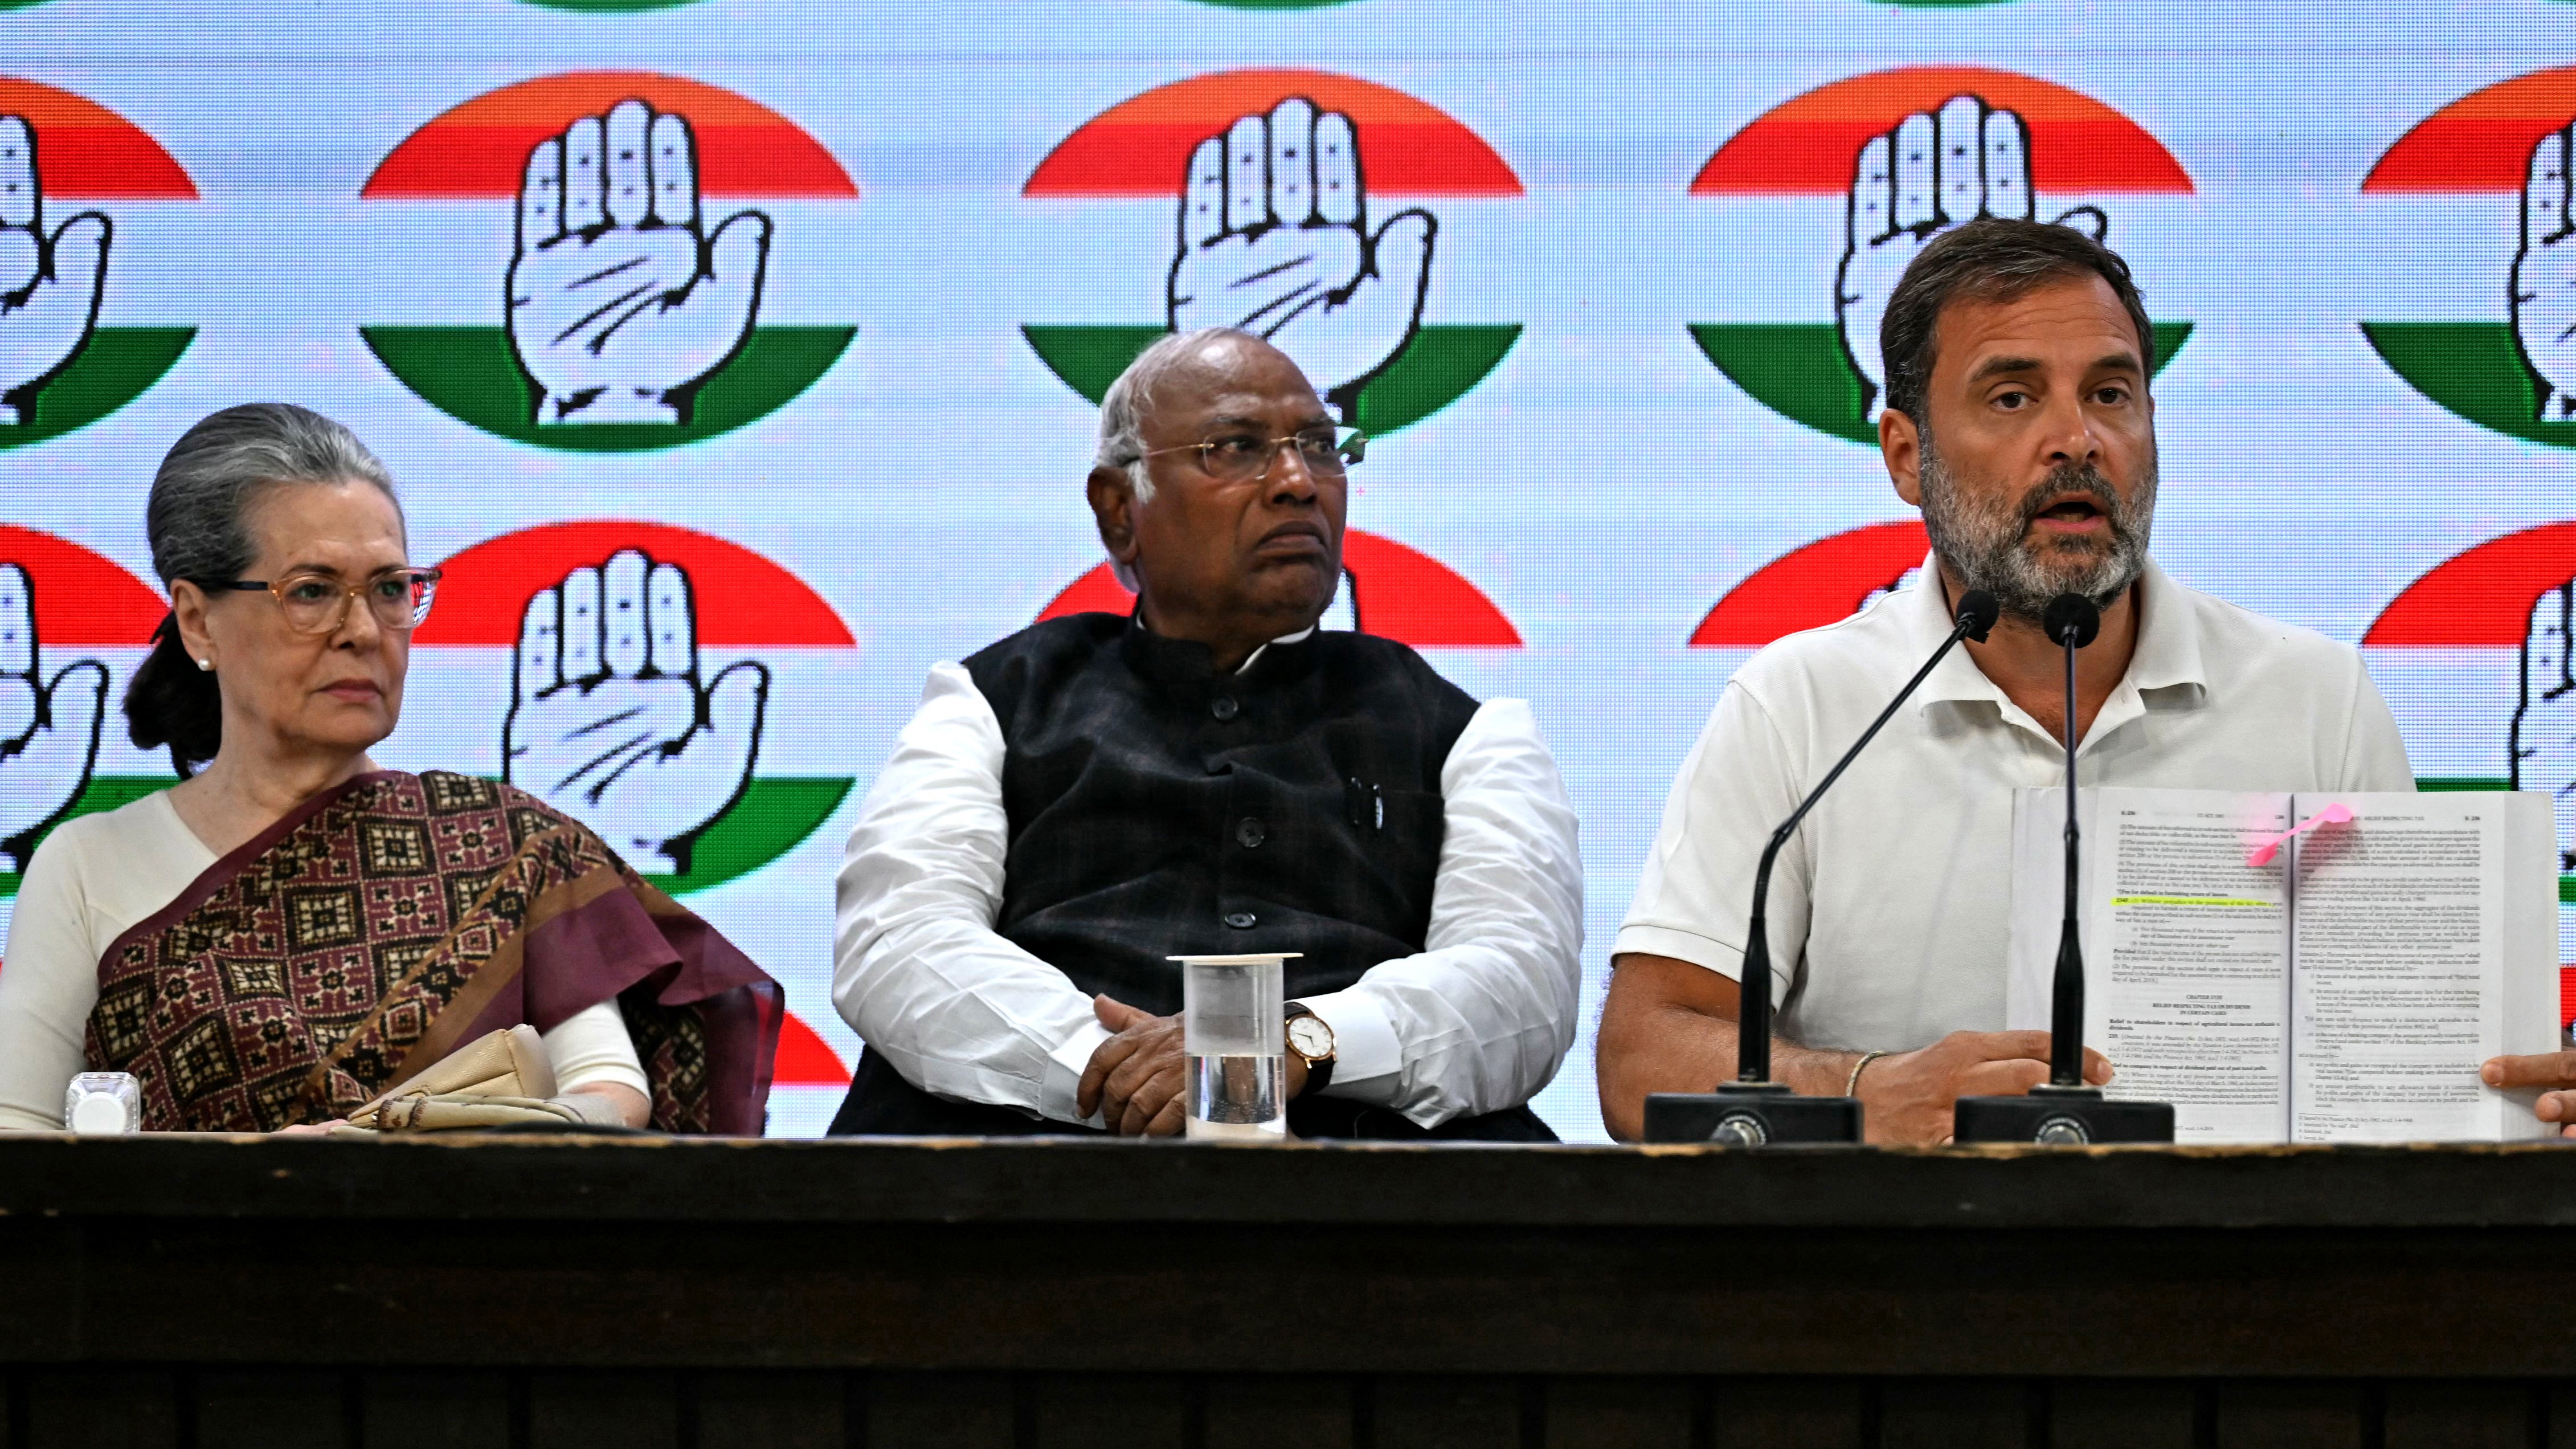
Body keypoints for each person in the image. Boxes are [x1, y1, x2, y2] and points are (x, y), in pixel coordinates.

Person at [1596, 218, 2422, 1144]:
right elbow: (1642, 1059)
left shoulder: (2313, 699)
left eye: (2111, 393)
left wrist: (2532, 1084)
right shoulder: (1801, 707)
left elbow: (2409, 1046)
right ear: (1907, 456)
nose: (2075, 439)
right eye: (2011, 398)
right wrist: (1865, 1090)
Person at [831, 328, 1582, 1140]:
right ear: (1121, 510)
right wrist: (1131, 1076)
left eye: (1320, 447)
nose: (1297, 482)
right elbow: (900, 942)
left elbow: (1520, 984)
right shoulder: (988, 699)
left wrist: (1290, 1046)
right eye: (1237, 447)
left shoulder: (1470, 730)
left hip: (1368, 1174)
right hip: (1023, 1162)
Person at [0, 403, 779, 1133]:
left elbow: (610, 1094)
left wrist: (407, 1142)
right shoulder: (88, 866)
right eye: (312, 591)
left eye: (390, 589)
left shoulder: (506, 847)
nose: (364, 630)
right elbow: (19, 1139)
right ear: (198, 617)